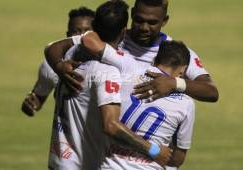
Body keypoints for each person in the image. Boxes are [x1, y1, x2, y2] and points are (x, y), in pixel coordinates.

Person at [46, 1, 171, 170]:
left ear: (94, 26)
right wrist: (154, 150)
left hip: (58, 159)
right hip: (82, 164)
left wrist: (59, 66)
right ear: (122, 32)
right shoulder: (107, 71)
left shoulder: (69, 55)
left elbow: (52, 47)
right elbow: (111, 125)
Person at [44, 0, 219, 105]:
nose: (144, 28)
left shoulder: (175, 53)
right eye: (139, 20)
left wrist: (174, 83)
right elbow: (54, 47)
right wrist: (59, 66)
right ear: (132, 14)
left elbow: (211, 91)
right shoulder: (110, 37)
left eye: (152, 23)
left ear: (164, 21)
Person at [81, 32, 195, 169]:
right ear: (182, 72)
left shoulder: (128, 70)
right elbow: (177, 159)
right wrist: (155, 151)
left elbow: (88, 40)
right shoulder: (186, 103)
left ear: (154, 60)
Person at [21, 7, 95, 116]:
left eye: (87, 31)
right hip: (66, 132)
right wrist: (31, 104)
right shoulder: (52, 65)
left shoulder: (108, 64)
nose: (81, 37)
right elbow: (38, 97)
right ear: (67, 35)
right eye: (76, 31)